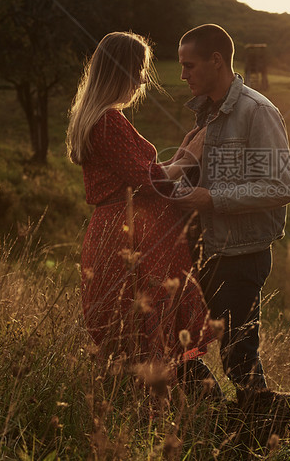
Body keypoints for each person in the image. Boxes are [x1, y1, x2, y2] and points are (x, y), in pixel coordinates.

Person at [66, 31, 218, 386]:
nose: (142, 81)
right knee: (142, 323)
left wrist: (180, 155)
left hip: (121, 231)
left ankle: (151, 403)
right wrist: (189, 159)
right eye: (138, 71)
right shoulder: (108, 120)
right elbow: (146, 180)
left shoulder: (99, 118)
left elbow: (142, 174)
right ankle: (162, 411)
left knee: (137, 327)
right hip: (129, 237)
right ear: (120, 71)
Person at [174, 24, 290, 396]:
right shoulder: (208, 112)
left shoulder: (257, 111)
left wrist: (212, 199)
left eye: (189, 65)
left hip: (241, 255)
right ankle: (209, 419)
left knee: (239, 358)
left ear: (216, 61)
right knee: (184, 345)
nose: (182, 75)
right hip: (205, 248)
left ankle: (258, 434)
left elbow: (281, 186)